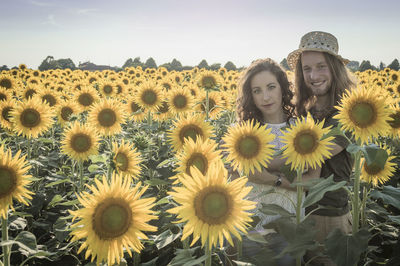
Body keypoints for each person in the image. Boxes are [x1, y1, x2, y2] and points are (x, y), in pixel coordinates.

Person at [228, 58, 320, 266]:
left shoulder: (303, 129)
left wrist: (271, 179)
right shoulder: (242, 133)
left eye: (271, 87)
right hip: (251, 226)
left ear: (283, 88)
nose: (265, 97)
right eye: (257, 90)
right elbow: (233, 178)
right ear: (250, 95)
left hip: (288, 227)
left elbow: (313, 182)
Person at [287, 31, 356, 265]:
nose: (313, 75)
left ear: (335, 68)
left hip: (329, 216)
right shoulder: (305, 110)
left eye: (321, 66)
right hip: (299, 212)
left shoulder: (351, 113)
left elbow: (310, 156)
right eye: (306, 69)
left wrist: (259, 166)